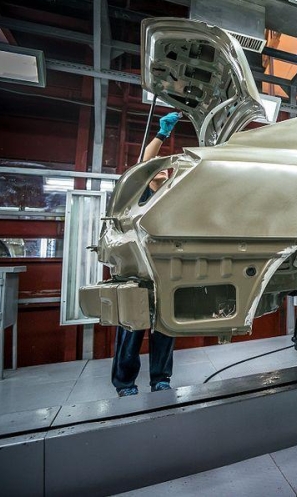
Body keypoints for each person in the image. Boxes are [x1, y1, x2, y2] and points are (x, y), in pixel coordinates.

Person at [112, 111, 182, 397]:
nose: (161, 171)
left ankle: (160, 379)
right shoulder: (142, 197)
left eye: (166, 169)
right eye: (157, 170)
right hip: (138, 273)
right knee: (132, 330)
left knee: (165, 330)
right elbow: (145, 163)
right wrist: (161, 134)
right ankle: (125, 383)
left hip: (166, 275)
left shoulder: (172, 198)